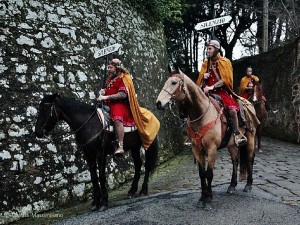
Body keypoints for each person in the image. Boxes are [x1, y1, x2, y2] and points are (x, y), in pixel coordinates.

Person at [97, 58, 160, 155]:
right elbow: (110, 89)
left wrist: (106, 96)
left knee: (117, 119)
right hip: (108, 103)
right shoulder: (110, 79)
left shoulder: (124, 77)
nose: (109, 70)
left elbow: (122, 94)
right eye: (109, 68)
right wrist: (103, 91)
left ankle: (120, 146)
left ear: (117, 68)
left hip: (119, 104)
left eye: (111, 68)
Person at [196, 40, 247, 147]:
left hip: (221, 92)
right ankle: (194, 133)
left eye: (210, 48)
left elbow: (226, 80)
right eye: (207, 49)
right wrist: (203, 79)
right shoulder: (206, 63)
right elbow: (200, 81)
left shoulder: (225, 62)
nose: (208, 51)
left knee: (232, 110)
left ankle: (237, 133)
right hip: (207, 93)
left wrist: (212, 87)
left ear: (216, 49)